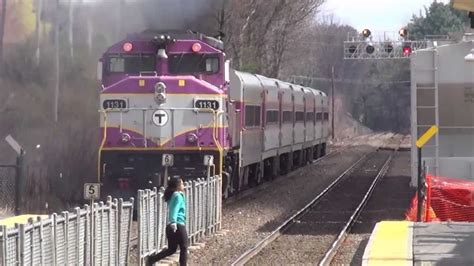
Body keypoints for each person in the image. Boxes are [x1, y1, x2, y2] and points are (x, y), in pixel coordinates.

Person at [147, 177, 188, 266]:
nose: (183, 186)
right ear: (177, 186)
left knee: (172, 249)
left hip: (171, 226)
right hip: (178, 224)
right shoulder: (178, 195)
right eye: (182, 184)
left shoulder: (173, 195)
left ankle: (152, 259)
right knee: (184, 247)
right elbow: (175, 209)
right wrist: (173, 221)